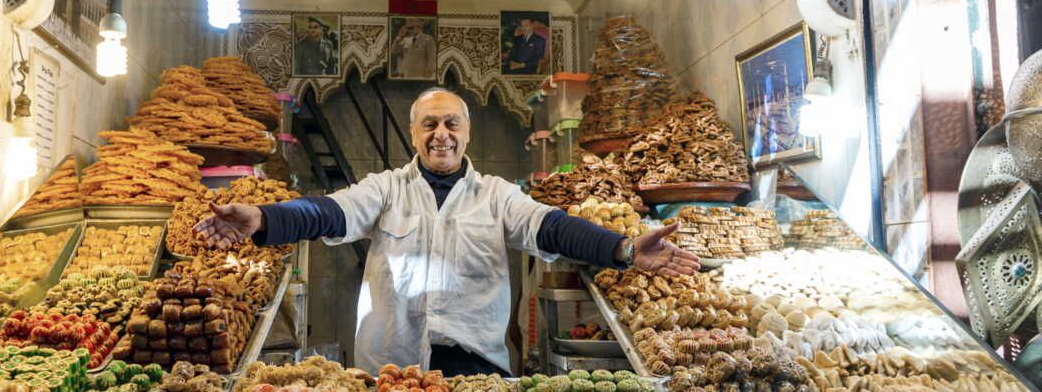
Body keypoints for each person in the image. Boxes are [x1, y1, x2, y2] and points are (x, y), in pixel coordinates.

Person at [195, 88, 699, 375]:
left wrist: (625, 248)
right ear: (413, 134)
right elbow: (329, 212)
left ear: (467, 133)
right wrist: (265, 219)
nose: (442, 135)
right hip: (389, 369)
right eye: (430, 124)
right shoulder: (386, 189)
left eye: (452, 124)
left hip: (475, 366)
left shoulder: (498, 195)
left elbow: (553, 228)